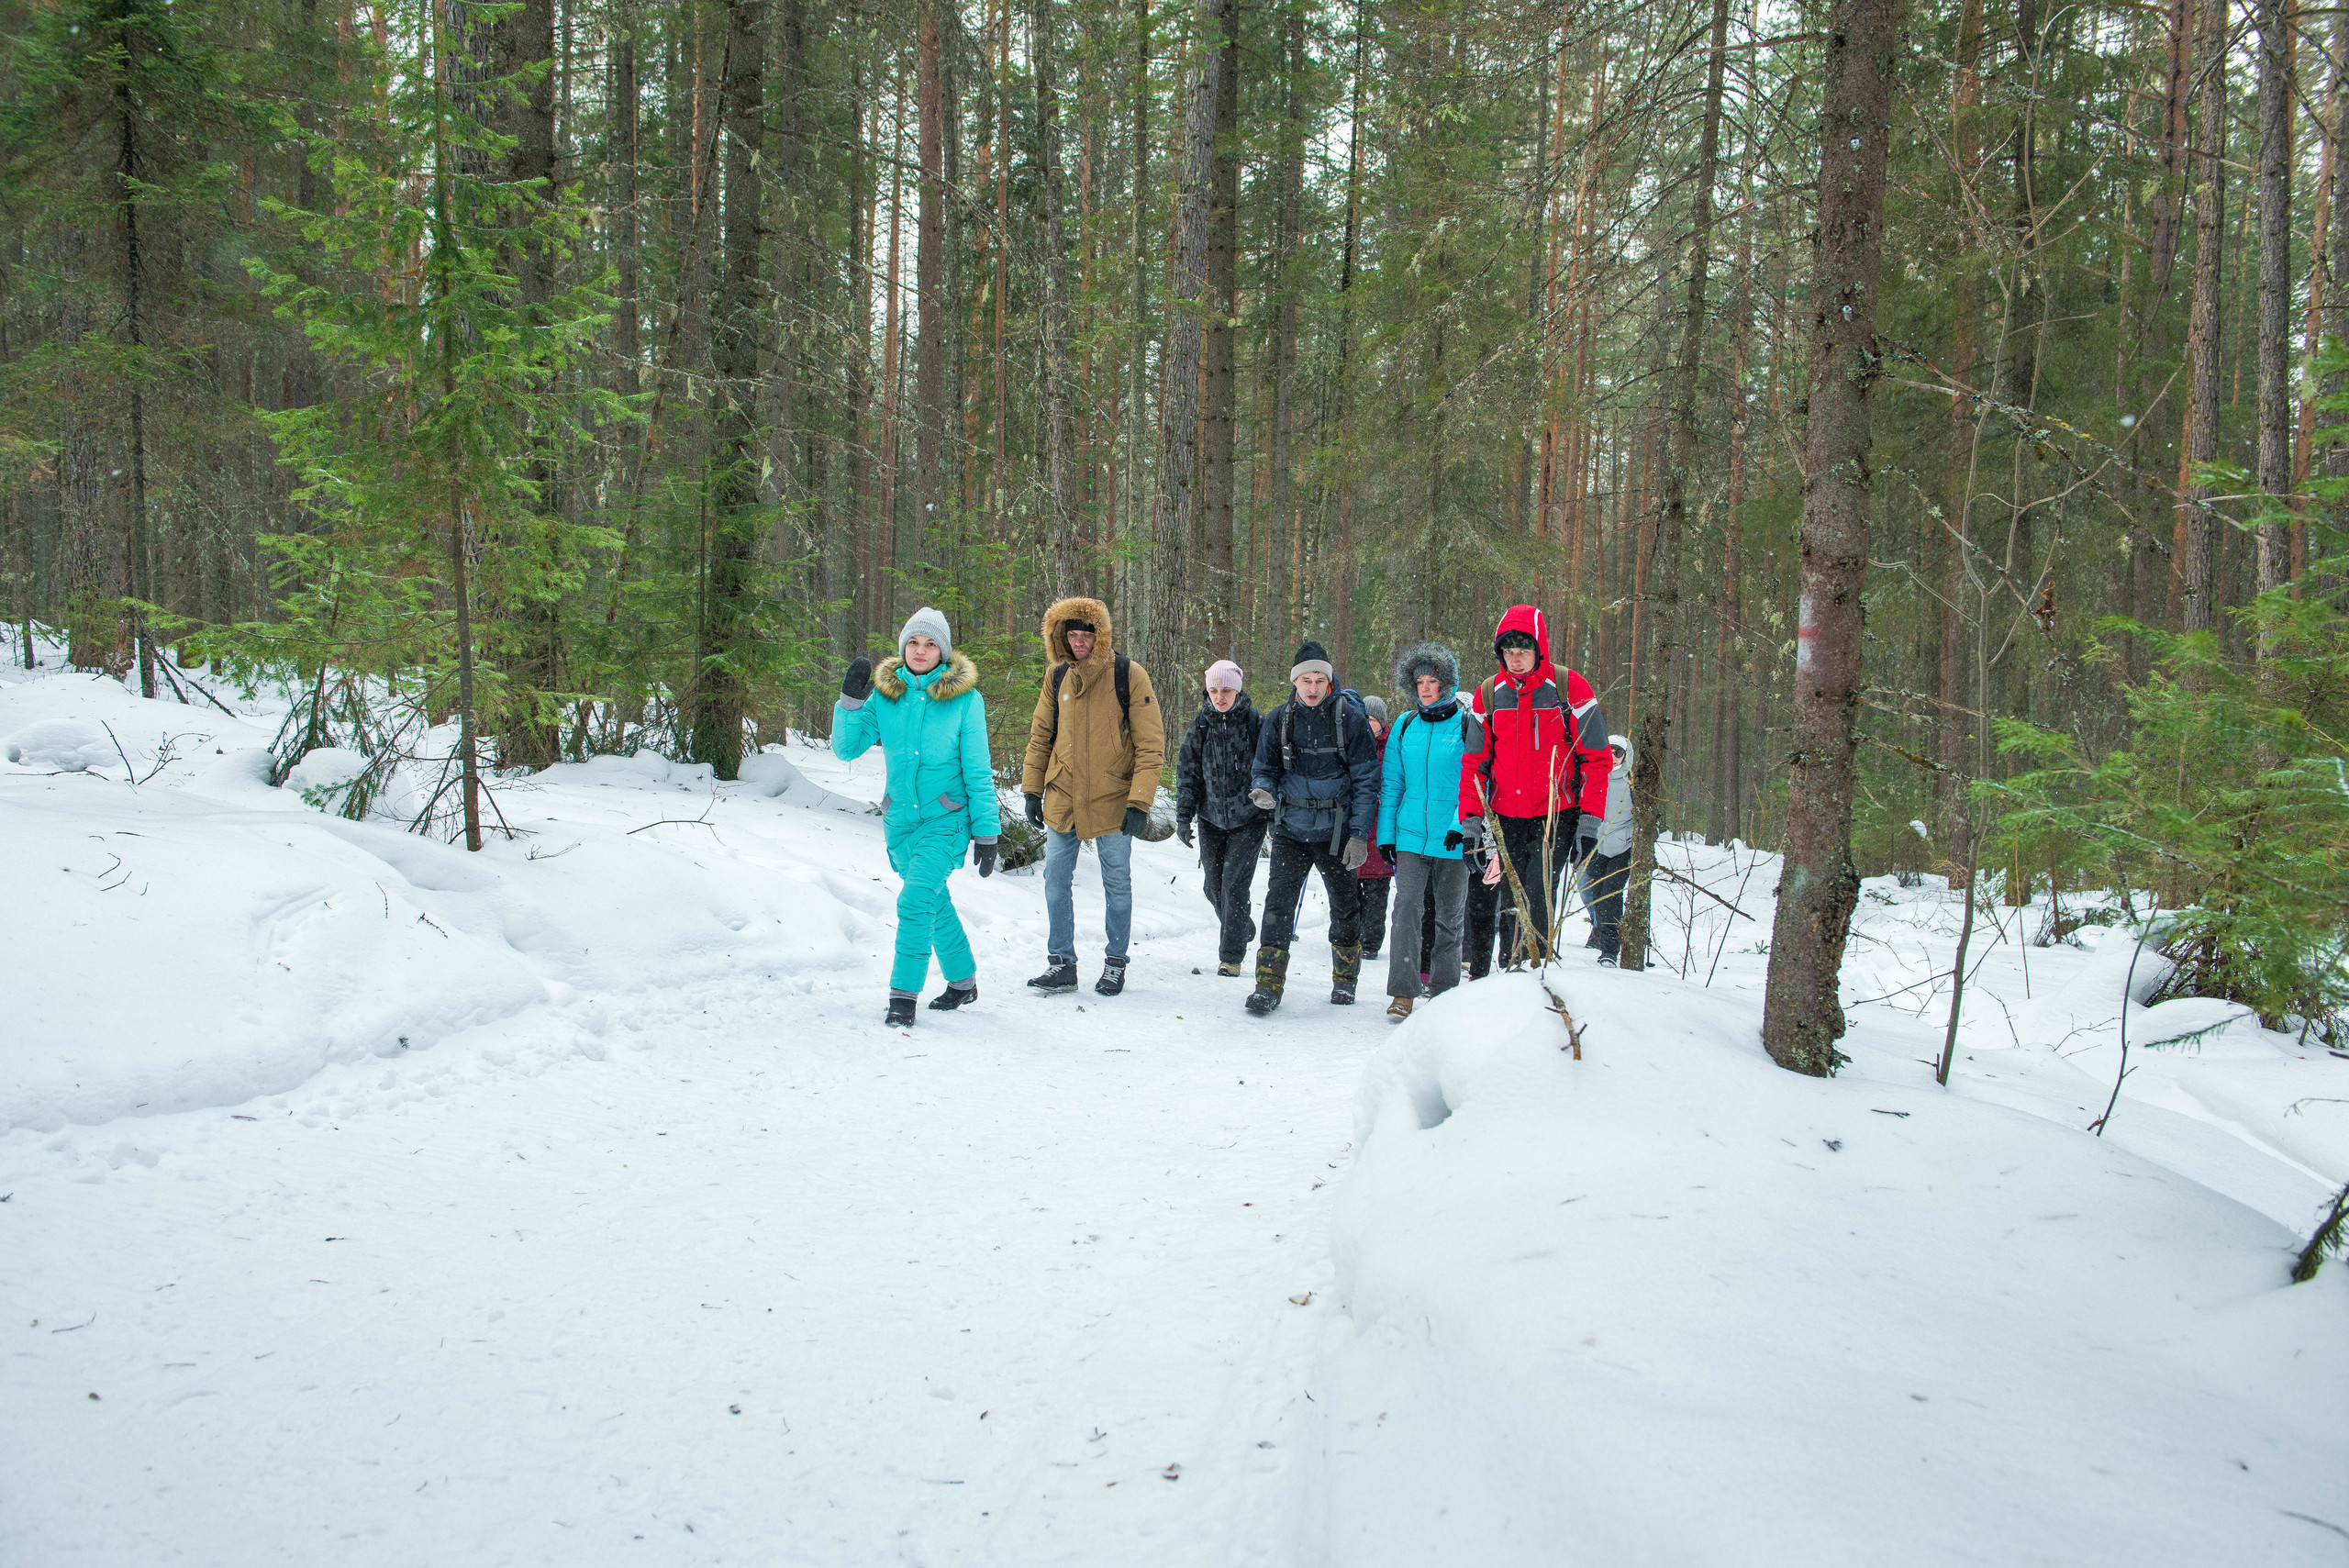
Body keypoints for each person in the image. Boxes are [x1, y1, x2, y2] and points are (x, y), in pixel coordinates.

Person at [830, 607, 1001, 1028]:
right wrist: (850, 703)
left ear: (942, 652)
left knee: (914, 900)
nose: (920, 650)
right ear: (903, 646)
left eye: (929, 644)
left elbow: (978, 771)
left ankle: (902, 997)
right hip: (900, 824)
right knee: (932, 901)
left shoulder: (966, 700)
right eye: (913, 642)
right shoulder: (886, 697)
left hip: (947, 820)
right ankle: (963, 981)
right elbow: (846, 749)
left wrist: (987, 831)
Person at [1021, 596, 1166, 997]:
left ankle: (1116, 963)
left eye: (1087, 633)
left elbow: (1151, 743)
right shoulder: (1056, 678)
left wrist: (1139, 802)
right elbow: (1040, 736)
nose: (1079, 641)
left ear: (1099, 636)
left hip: (1113, 798)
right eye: (1072, 633)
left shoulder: (1128, 674)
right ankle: (1062, 964)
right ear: (1060, 636)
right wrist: (1033, 789)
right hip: (1063, 795)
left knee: (1116, 883)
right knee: (1055, 881)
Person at [1464, 606, 1614, 970]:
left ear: (1539, 649)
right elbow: (1474, 764)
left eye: (1523, 652)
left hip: (1555, 814)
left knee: (1538, 892)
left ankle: (1535, 967)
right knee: (1507, 894)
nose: (1515, 660)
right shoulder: (1488, 693)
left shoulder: (1569, 687)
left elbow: (1597, 758)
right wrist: (1470, 819)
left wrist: (1590, 822)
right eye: (1508, 652)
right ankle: (1509, 970)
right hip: (1505, 815)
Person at [1243, 640, 1382, 1016]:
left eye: (1320, 679)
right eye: (1306, 679)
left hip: (1336, 832)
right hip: (1290, 829)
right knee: (1277, 907)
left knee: (1345, 906)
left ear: (1329, 681)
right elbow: (1264, 767)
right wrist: (1264, 790)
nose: (1313, 687)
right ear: (1295, 681)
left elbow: (1368, 780)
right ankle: (1268, 986)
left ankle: (1344, 981)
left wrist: (1358, 835)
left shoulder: (1349, 719)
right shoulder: (1279, 719)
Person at [1375, 643, 1484, 1020]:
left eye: (1432, 681)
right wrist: (1386, 834)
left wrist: (1461, 825)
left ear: (1447, 684)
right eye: (1419, 681)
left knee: (1450, 917)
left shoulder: (1468, 725)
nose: (1425, 688)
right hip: (1409, 836)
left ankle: (1443, 993)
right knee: (1406, 909)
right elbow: (1391, 784)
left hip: (1453, 838)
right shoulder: (1405, 725)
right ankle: (1403, 993)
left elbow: (1475, 779)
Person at [1174, 660, 1270, 977]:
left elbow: (1271, 770)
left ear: (1237, 690)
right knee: (1212, 887)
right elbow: (1187, 773)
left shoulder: (1256, 723)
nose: (1220, 696)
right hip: (1211, 819)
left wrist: (1271, 810)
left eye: (1226, 690)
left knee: (1233, 886)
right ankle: (1241, 925)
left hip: (1248, 819)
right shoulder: (1200, 724)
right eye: (1214, 690)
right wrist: (1184, 818)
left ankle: (1231, 956)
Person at [1580, 734, 1634, 966]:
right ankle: (1602, 932)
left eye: (1618, 752)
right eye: (1609, 751)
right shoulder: (1593, 776)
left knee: (1611, 896)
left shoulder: (1633, 781)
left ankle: (1610, 950)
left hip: (1623, 847)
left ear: (1626, 755)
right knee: (1594, 894)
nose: (1613, 756)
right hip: (1598, 847)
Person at [1354, 696, 1396, 962]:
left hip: (1381, 830)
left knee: (1377, 894)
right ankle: (1352, 935)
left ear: (1380, 722)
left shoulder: (1392, 747)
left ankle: (1370, 942)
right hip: (1357, 829)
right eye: (1363, 719)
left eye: (1371, 720)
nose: (1366, 725)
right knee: (1351, 891)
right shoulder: (1353, 744)